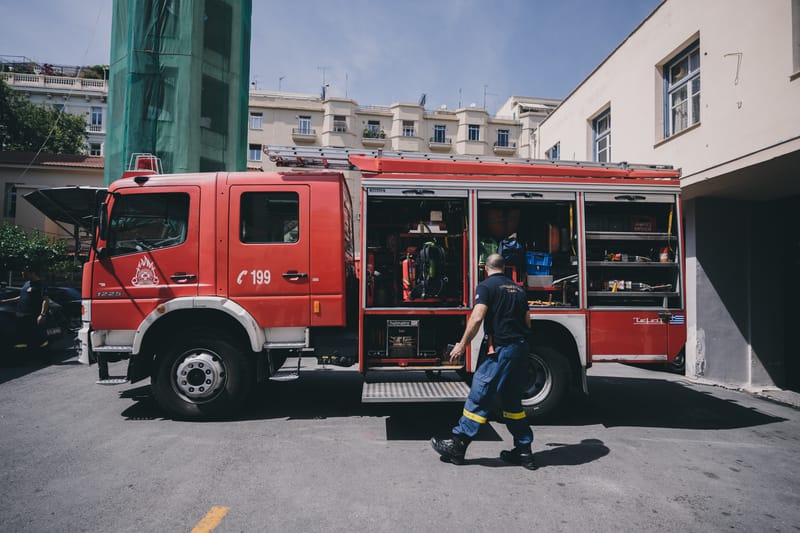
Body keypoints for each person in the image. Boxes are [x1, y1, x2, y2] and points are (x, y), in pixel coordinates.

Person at [431, 253, 536, 469]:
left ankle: (458, 445)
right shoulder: (518, 289)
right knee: (512, 403)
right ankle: (524, 451)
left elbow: (477, 317)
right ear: (504, 267)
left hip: (501, 351)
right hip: (520, 349)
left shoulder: (486, 287)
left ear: (485, 268)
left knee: (480, 393)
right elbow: (528, 322)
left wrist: (462, 344)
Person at [1, 267, 49, 357]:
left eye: (25, 272)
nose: (22, 274)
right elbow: (21, 297)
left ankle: (45, 357)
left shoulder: (40, 284)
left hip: (33, 316)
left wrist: (42, 314)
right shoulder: (27, 283)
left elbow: (45, 300)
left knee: (39, 337)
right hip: (21, 315)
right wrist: (4, 301)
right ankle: (23, 357)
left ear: (32, 273)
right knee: (22, 338)